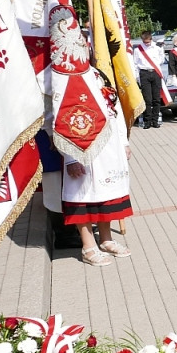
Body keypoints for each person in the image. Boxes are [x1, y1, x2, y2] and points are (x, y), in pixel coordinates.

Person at [61, 69, 133, 267]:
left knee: (106, 193)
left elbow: (114, 108)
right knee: (83, 196)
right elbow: (61, 118)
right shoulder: (63, 75)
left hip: (109, 148)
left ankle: (106, 239)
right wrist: (70, 157)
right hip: (81, 148)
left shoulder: (98, 73)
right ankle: (88, 246)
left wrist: (123, 142)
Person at [133, 32, 165, 130]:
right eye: (145, 42)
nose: (147, 44)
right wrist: (137, 78)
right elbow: (135, 64)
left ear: (151, 39)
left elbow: (161, 60)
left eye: (148, 42)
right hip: (144, 73)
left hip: (155, 73)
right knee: (147, 99)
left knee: (156, 98)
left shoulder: (157, 48)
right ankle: (147, 121)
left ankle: (155, 121)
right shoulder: (138, 49)